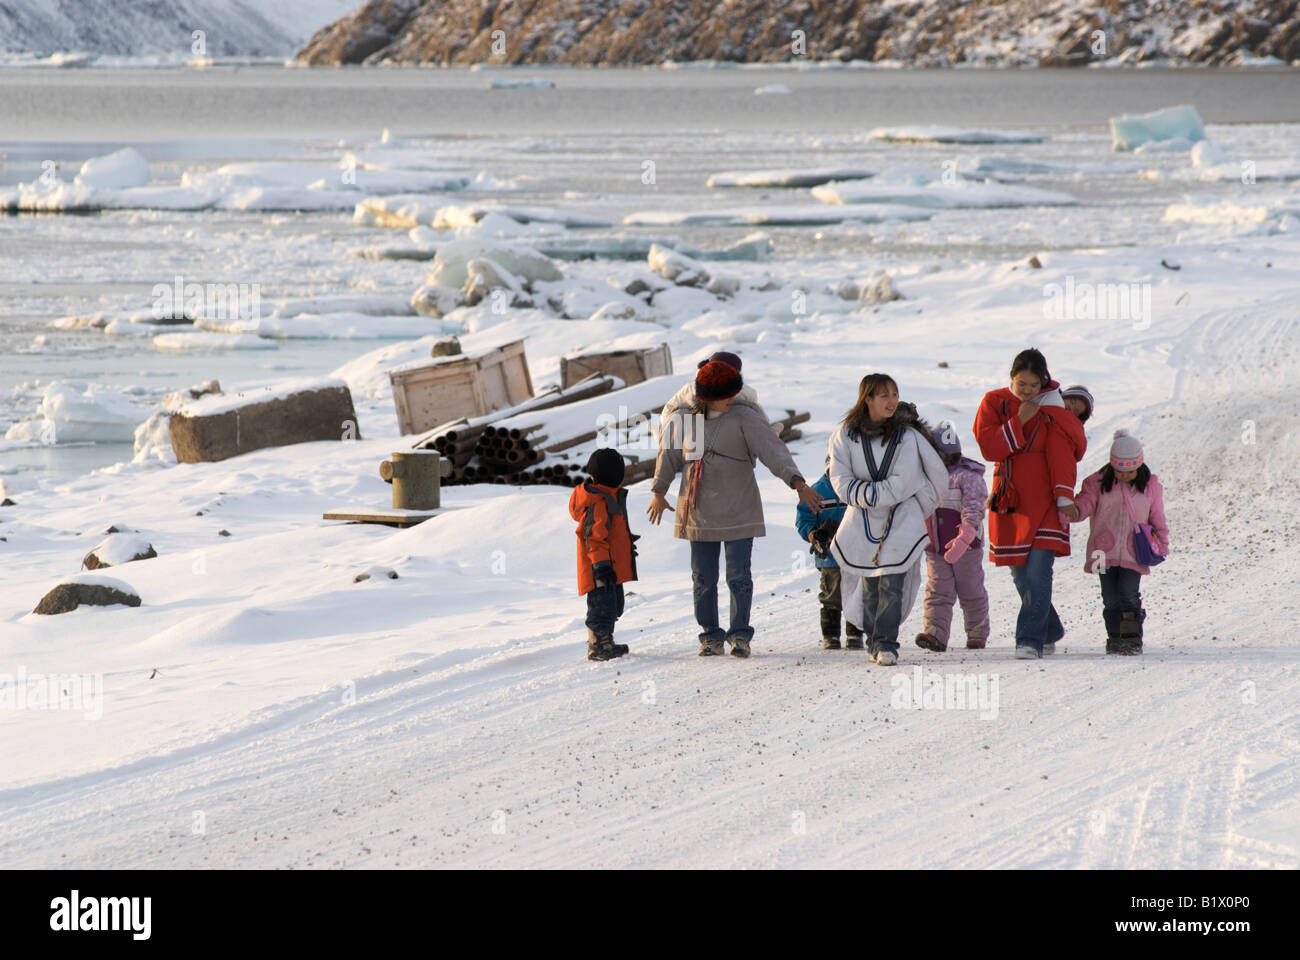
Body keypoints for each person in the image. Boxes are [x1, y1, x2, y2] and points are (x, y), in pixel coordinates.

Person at [648, 359, 821, 658]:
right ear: (708, 396)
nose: (733, 398)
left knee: (738, 575)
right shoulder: (684, 419)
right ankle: (710, 636)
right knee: (702, 577)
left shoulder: (745, 417)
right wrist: (658, 491)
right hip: (698, 509)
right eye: (727, 394)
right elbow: (668, 455)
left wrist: (798, 483)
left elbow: (773, 450)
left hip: (740, 506)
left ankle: (740, 635)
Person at [828, 374, 948, 666]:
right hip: (862, 518)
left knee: (892, 582)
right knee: (869, 582)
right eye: (884, 395)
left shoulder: (906, 437)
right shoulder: (845, 434)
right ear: (867, 399)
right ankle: (874, 638)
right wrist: (866, 496)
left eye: (895, 394)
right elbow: (839, 476)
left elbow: (905, 480)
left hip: (900, 515)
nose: (892, 401)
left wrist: (870, 493)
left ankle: (886, 643)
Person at [973, 348, 1086, 659]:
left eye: (1033, 385)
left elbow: (1064, 455)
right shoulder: (995, 403)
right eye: (1021, 383)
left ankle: (1029, 640)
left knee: (1038, 571)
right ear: (1012, 378)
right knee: (1019, 573)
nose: (1026, 391)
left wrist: (1064, 497)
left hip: (1047, 500)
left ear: (1044, 383)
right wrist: (1018, 421)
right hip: (1011, 500)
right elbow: (989, 448)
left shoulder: (1054, 413)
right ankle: (1049, 628)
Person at [1068, 430, 1169, 655]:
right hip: (1102, 550)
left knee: (1128, 593)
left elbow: (1157, 517)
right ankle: (1115, 637)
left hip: (1135, 550)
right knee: (1110, 598)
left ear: (1139, 465)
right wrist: (1071, 511)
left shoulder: (1150, 486)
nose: (1124, 475)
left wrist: (1162, 542)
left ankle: (1131, 639)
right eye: (1119, 470)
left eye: (1130, 471)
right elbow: (1084, 505)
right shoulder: (1097, 483)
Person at [915, 422, 991, 652]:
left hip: (966, 547)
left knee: (971, 590)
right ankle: (935, 633)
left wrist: (965, 536)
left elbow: (975, 508)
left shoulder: (966, 477)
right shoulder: (925, 478)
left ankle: (977, 630)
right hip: (935, 546)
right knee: (938, 590)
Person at [569, 448, 638, 661]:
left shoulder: (609, 497)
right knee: (602, 607)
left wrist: (625, 544)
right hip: (600, 568)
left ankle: (606, 641)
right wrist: (601, 566)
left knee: (615, 605)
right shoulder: (600, 502)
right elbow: (595, 539)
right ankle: (598, 645)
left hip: (610, 565)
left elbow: (611, 532)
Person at [794, 457, 864, 650]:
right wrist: (813, 534)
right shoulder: (817, 491)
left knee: (856, 594)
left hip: (855, 554)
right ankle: (831, 635)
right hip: (829, 555)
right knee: (831, 595)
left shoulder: (854, 488)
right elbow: (804, 518)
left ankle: (855, 633)